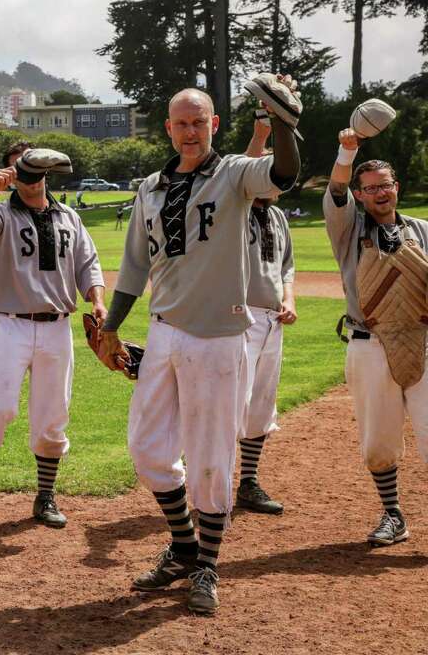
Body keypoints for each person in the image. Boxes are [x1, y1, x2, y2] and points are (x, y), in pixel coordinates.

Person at [96, 87, 300, 614]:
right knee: (147, 449)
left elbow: (282, 175)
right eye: (181, 123)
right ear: (168, 128)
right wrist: (112, 327)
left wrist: (282, 122)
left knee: (212, 460)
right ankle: (185, 546)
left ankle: (205, 565)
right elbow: (135, 267)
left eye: (200, 122)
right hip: (164, 330)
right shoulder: (151, 187)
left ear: (213, 125)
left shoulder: (234, 173)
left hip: (219, 335)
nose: (190, 131)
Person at [0, 141, 105, 531]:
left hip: (57, 327)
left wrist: (97, 301)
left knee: (53, 414)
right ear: (11, 177)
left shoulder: (68, 216)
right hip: (12, 324)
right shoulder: (3, 212)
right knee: (0, 407)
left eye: (35, 171)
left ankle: (45, 496)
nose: (30, 179)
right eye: (20, 171)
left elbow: (88, 263)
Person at [325, 126, 428, 547]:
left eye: (385, 185)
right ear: (361, 196)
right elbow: (334, 191)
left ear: (396, 188)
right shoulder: (348, 231)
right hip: (369, 344)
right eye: (370, 188)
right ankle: (393, 514)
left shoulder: (422, 230)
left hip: (423, 340)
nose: (380, 193)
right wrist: (346, 153)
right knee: (379, 440)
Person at [236, 120, 298, 514]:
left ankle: (248, 482)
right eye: (273, 176)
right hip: (238, 320)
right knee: (230, 403)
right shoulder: (235, 208)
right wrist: (261, 132)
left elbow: (286, 267)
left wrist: (289, 300)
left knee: (261, 404)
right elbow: (241, 170)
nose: (279, 183)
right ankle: (216, 484)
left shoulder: (277, 218)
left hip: (273, 321)